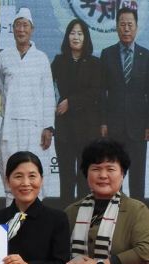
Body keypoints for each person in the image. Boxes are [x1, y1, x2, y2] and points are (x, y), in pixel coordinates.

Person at [0, 8, 55, 204]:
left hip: (35, 126)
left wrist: (48, 127)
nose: (21, 30)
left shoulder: (41, 58)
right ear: (12, 29)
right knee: (11, 169)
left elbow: (48, 94)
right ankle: (11, 221)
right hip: (11, 124)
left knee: (34, 171)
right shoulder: (4, 57)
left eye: (25, 25)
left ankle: (36, 221)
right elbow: (1, 91)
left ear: (32, 29)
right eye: (17, 25)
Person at [99, 7, 149, 201]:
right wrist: (103, 122)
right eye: (122, 24)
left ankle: (137, 218)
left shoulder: (146, 56)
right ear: (117, 28)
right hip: (114, 126)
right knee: (113, 174)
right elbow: (102, 92)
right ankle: (112, 216)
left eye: (130, 25)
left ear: (136, 28)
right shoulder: (107, 54)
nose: (126, 28)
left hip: (138, 127)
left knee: (137, 176)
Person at [51, 19, 101, 201]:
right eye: (72, 33)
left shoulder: (95, 63)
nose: (76, 37)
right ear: (67, 36)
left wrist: (70, 102)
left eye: (80, 33)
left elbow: (96, 93)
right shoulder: (58, 61)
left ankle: (83, 223)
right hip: (64, 128)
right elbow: (46, 88)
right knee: (66, 177)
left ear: (86, 37)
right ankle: (65, 221)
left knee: (83, 177)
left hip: (87, 129)